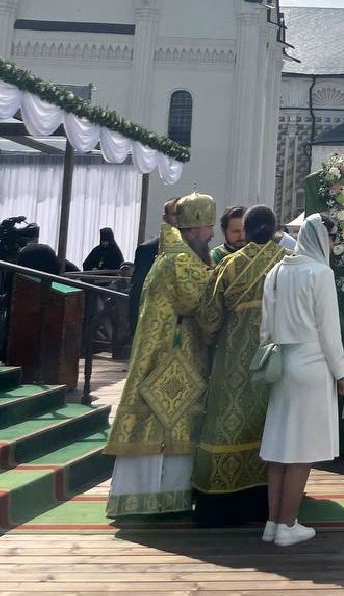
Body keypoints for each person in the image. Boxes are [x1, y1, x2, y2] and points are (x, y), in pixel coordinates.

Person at [105, 192, 215, 518]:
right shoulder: (182, 260)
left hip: (167, 352)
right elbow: (202, 303)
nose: (212, 234)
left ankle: (158, 497)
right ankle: (160, 497)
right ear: (194, 227)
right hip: (172, 356)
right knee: (167, 424)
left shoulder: (172, 253)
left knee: (164, 424)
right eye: (209, 227)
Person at [259, 214, 344, 547]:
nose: (331, 243)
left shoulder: (277, 271)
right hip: (311, 363)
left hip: (282, 361)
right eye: (329, 236)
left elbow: (265, 325)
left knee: (280, 446)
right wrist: (341, 372)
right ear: (320, 238)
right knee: (300, 450)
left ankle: (273, 523)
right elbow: (329, 331)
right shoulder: (320, 273)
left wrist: (268, 357)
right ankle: (288, 523)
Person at [192, 205, 287, 526]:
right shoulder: (287, 265)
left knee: (225, 423)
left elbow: (208, 318)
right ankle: (271, 502)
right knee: (270, 427)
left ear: (245, 231)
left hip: (233, 360)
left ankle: (219, 504)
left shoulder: (229, 266)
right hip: (277, 360)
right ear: (274, 230)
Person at [128, 199, 176, 330]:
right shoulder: (148, 250)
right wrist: (135, 328)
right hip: (152, 325)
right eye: (175, 214)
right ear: (165, 219)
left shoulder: (194, 251)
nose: (179, 220)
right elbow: (138, 290)